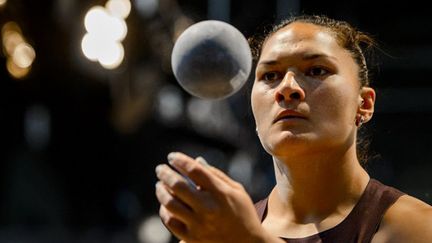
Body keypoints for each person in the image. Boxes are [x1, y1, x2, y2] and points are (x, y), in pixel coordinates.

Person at [154, 14, 432, 243]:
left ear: (364, 104)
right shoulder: (222, 233)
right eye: (270, 76)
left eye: (316, 70)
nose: (287, 89)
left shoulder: (415, 227)